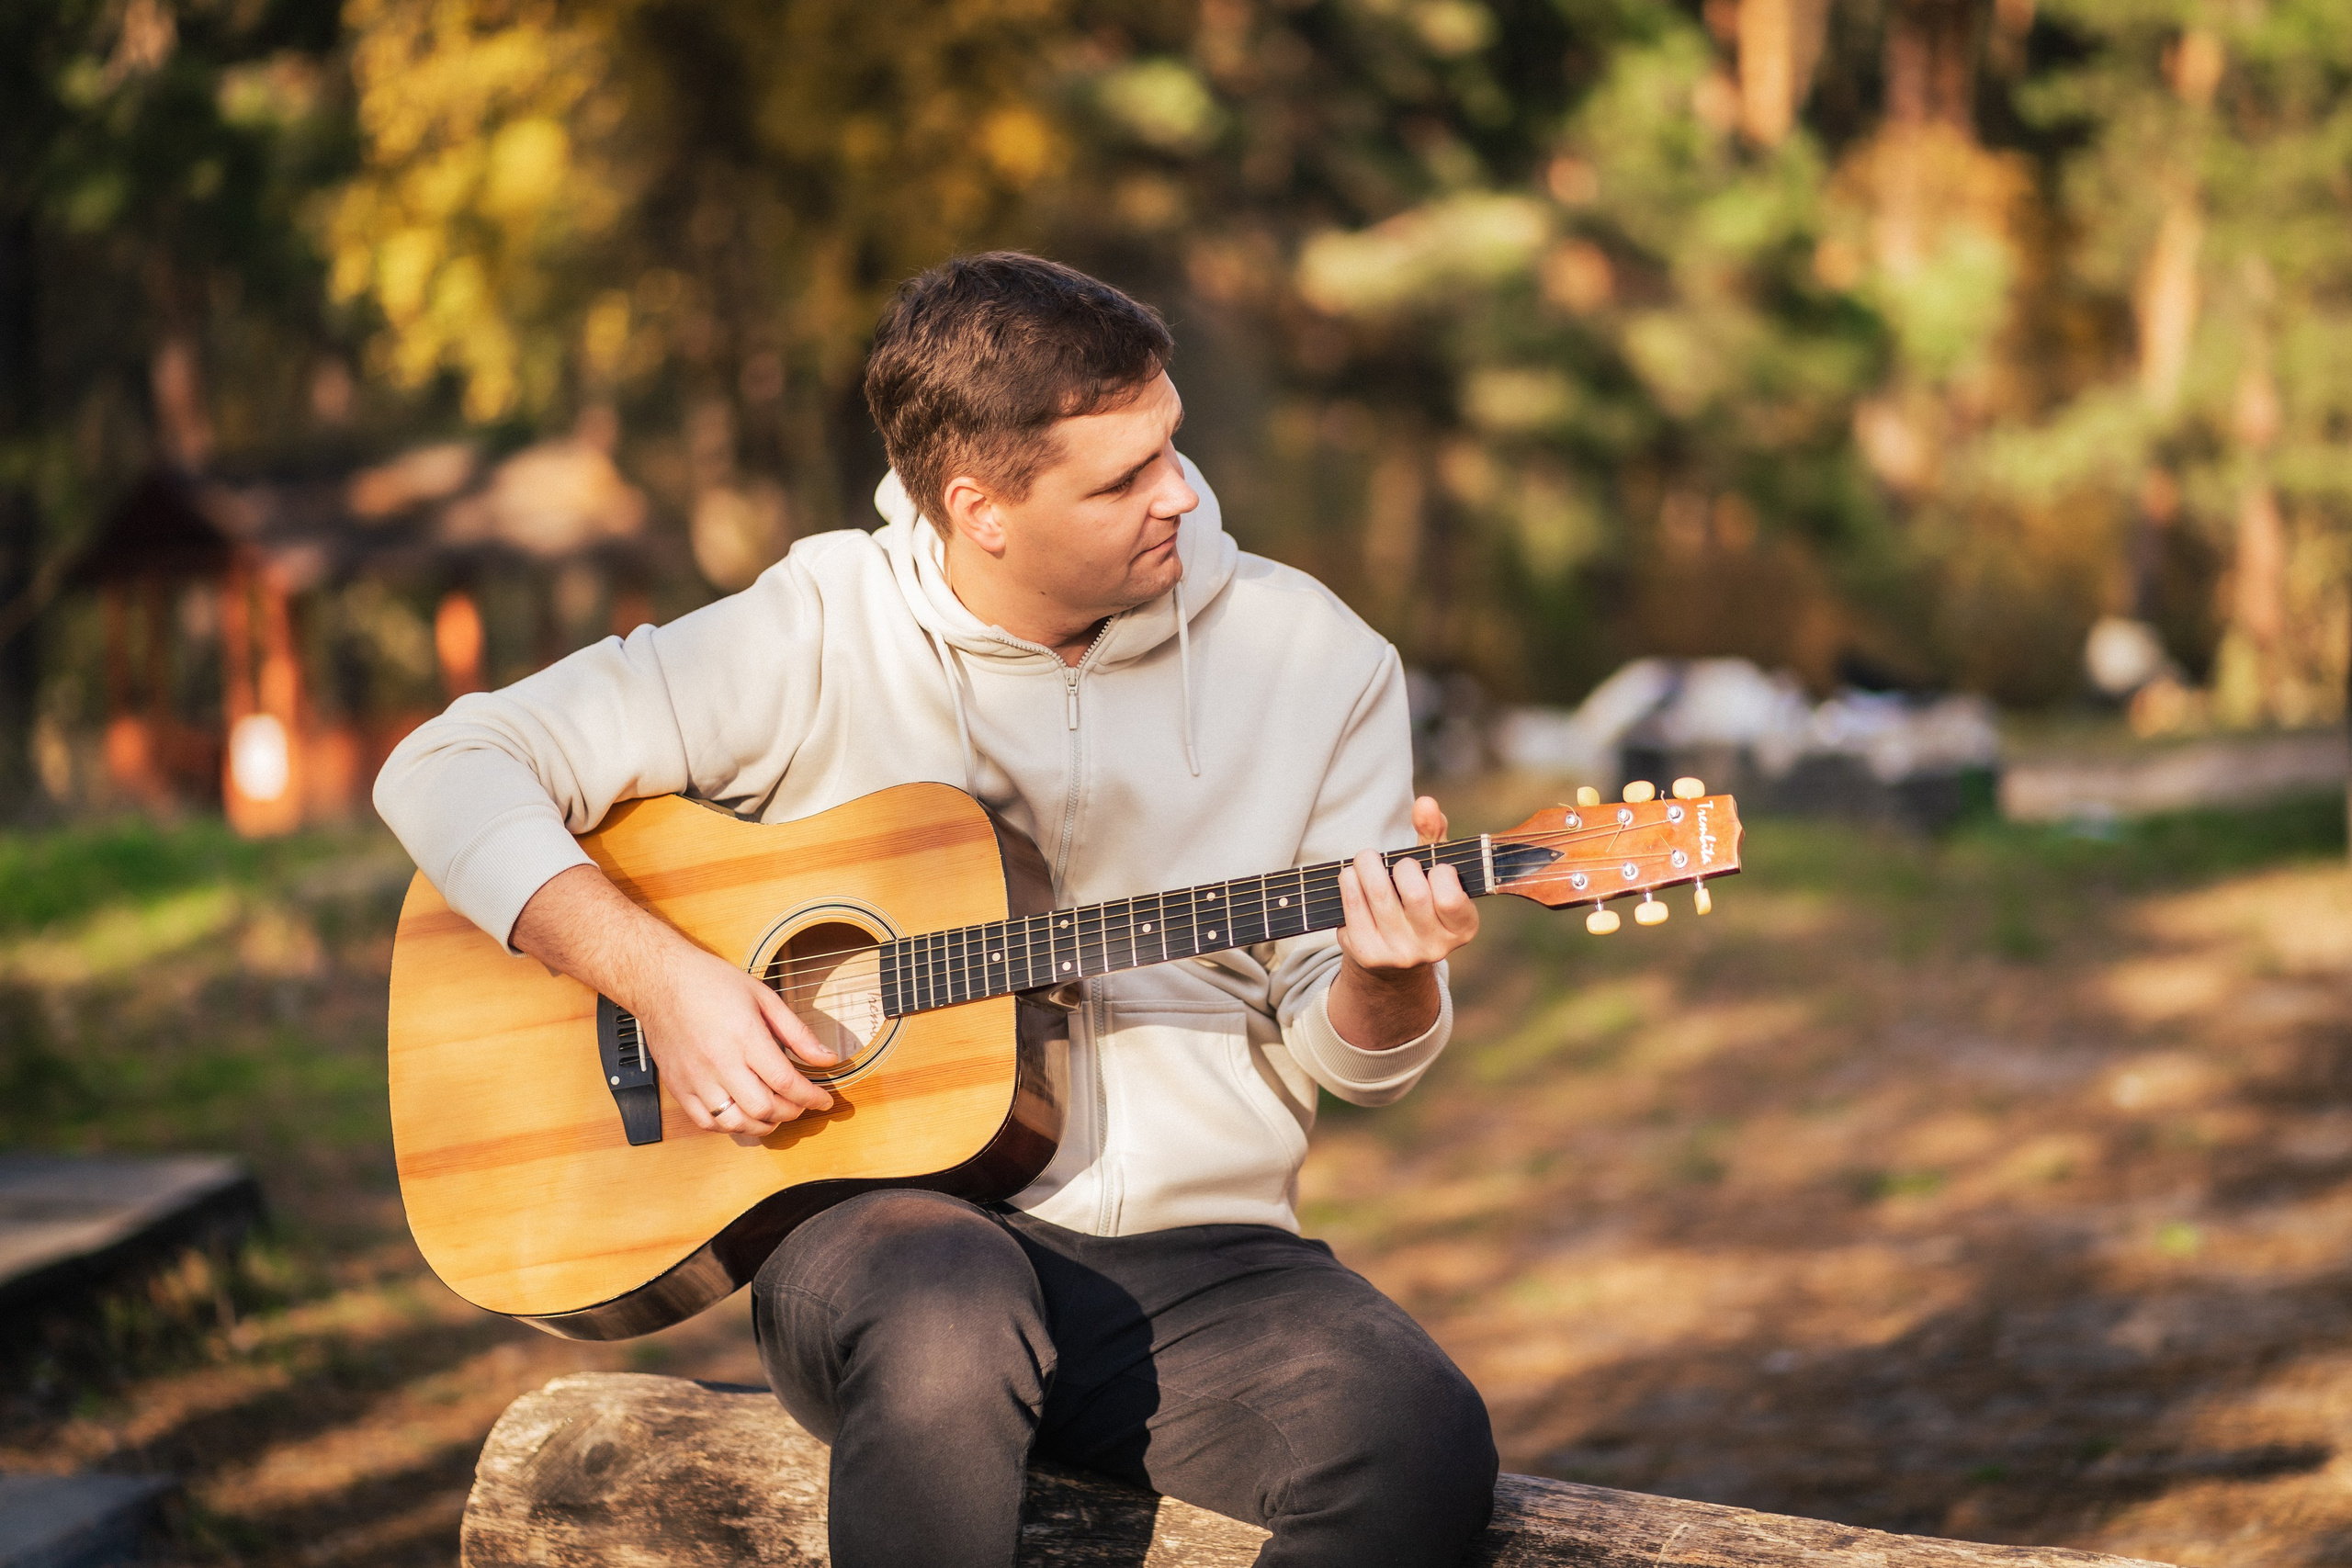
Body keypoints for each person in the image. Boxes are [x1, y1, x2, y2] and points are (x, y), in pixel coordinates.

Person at [374, 253, 1498, 1567]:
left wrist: (1390, 977)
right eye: (1123, 477)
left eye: (1171, 444)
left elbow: (1348, 1049)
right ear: (981, 508)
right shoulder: (815, 628)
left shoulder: (1313, 657)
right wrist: (661, 981)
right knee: (951, 1309)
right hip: (883, 1242)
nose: (1180, 493)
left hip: (1204, 1267)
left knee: (1417, 1433)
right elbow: (446, 766)